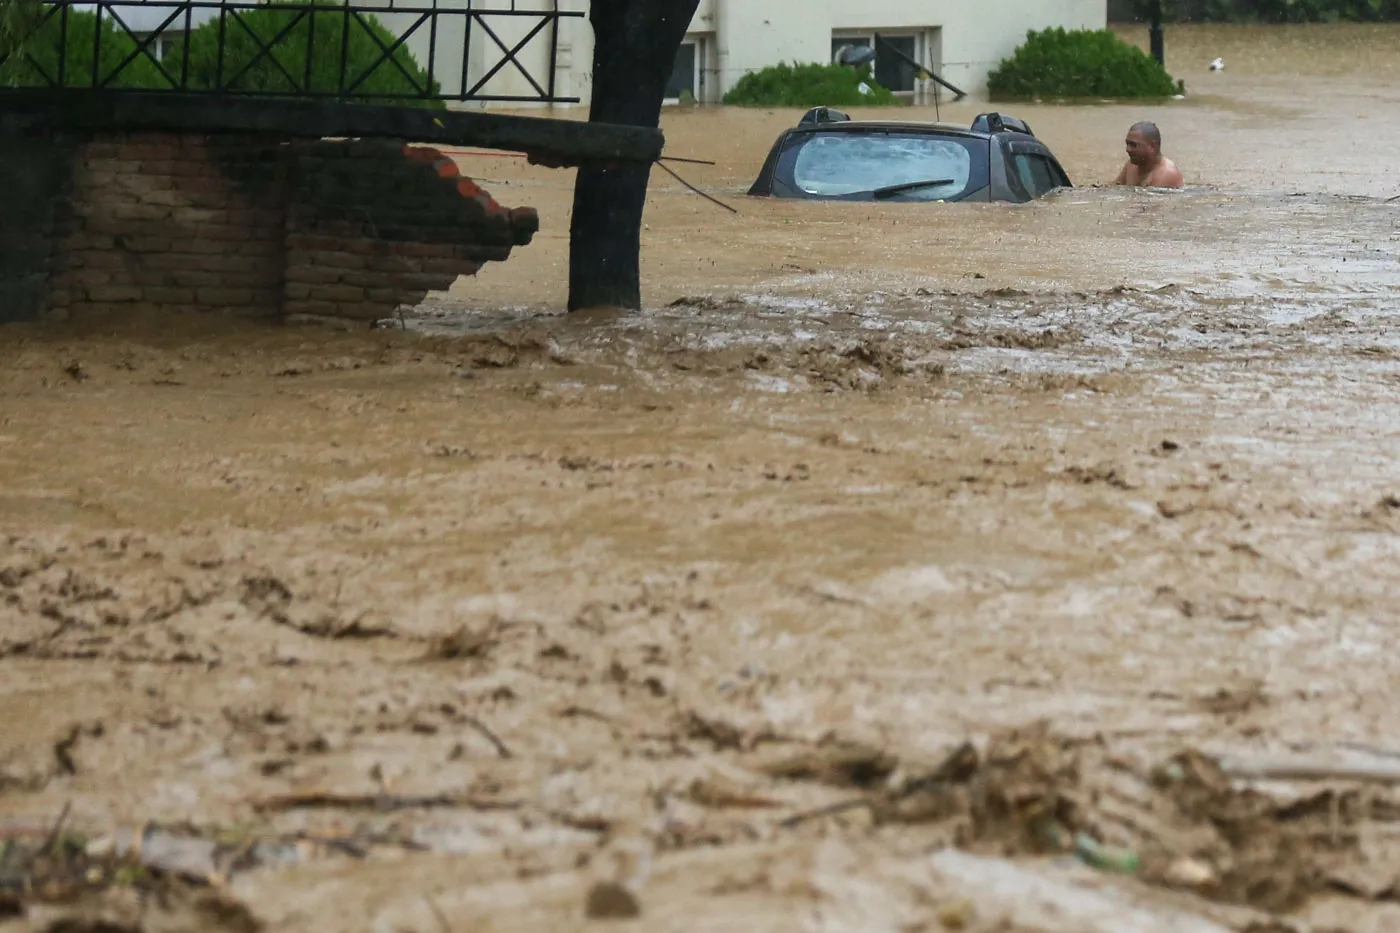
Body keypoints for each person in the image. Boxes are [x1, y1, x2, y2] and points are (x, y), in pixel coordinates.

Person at [1113, 122, 1183, 189]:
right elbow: (1114, 187)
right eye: (1127, 144)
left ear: (1152, 146)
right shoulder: (1131, 164)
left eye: (1133, 145)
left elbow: (1142, 200)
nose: (1128, 149)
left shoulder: (1167, 174)